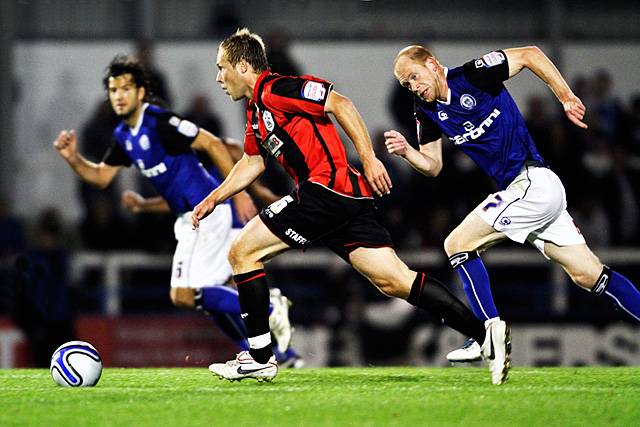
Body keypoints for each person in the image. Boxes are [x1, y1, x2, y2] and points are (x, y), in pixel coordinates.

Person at [192, 28, 510, 385]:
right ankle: (486, 335)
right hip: (347, 199)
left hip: (325, 191)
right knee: (395, 281)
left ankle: (261, 357)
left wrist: (370, 159)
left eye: (222, 68)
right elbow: (253, 162)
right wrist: (215, 197)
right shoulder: (255, 109)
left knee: (242, 253)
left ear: (244, 66)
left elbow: (340, 103)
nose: (219, 77)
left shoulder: (277, 88)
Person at [385, 45, 640, 363]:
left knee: (456, 244)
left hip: (533, 183)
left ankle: (486, 334)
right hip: (530, 193)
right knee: (589, 275)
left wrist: (565, 97)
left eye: (414, 76)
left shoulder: (474, 74)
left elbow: (531, 54)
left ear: (433, 64)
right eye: (406, 84)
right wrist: (408, 152)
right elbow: (433, 165)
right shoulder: (426, 111)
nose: (413, 86)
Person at [52, 55, 298, 363]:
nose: (119, 96)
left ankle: (270, 309)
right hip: (190, 218)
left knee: (183, 293)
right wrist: (74, 159)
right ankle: (264, 351)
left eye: (126, 88)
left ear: (141, 92)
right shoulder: (124, 137)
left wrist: (239, 196)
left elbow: (213, 145)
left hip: (207, 213)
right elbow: (101, 176)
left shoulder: (159, 120)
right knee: (206, 298)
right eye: (113, 90)